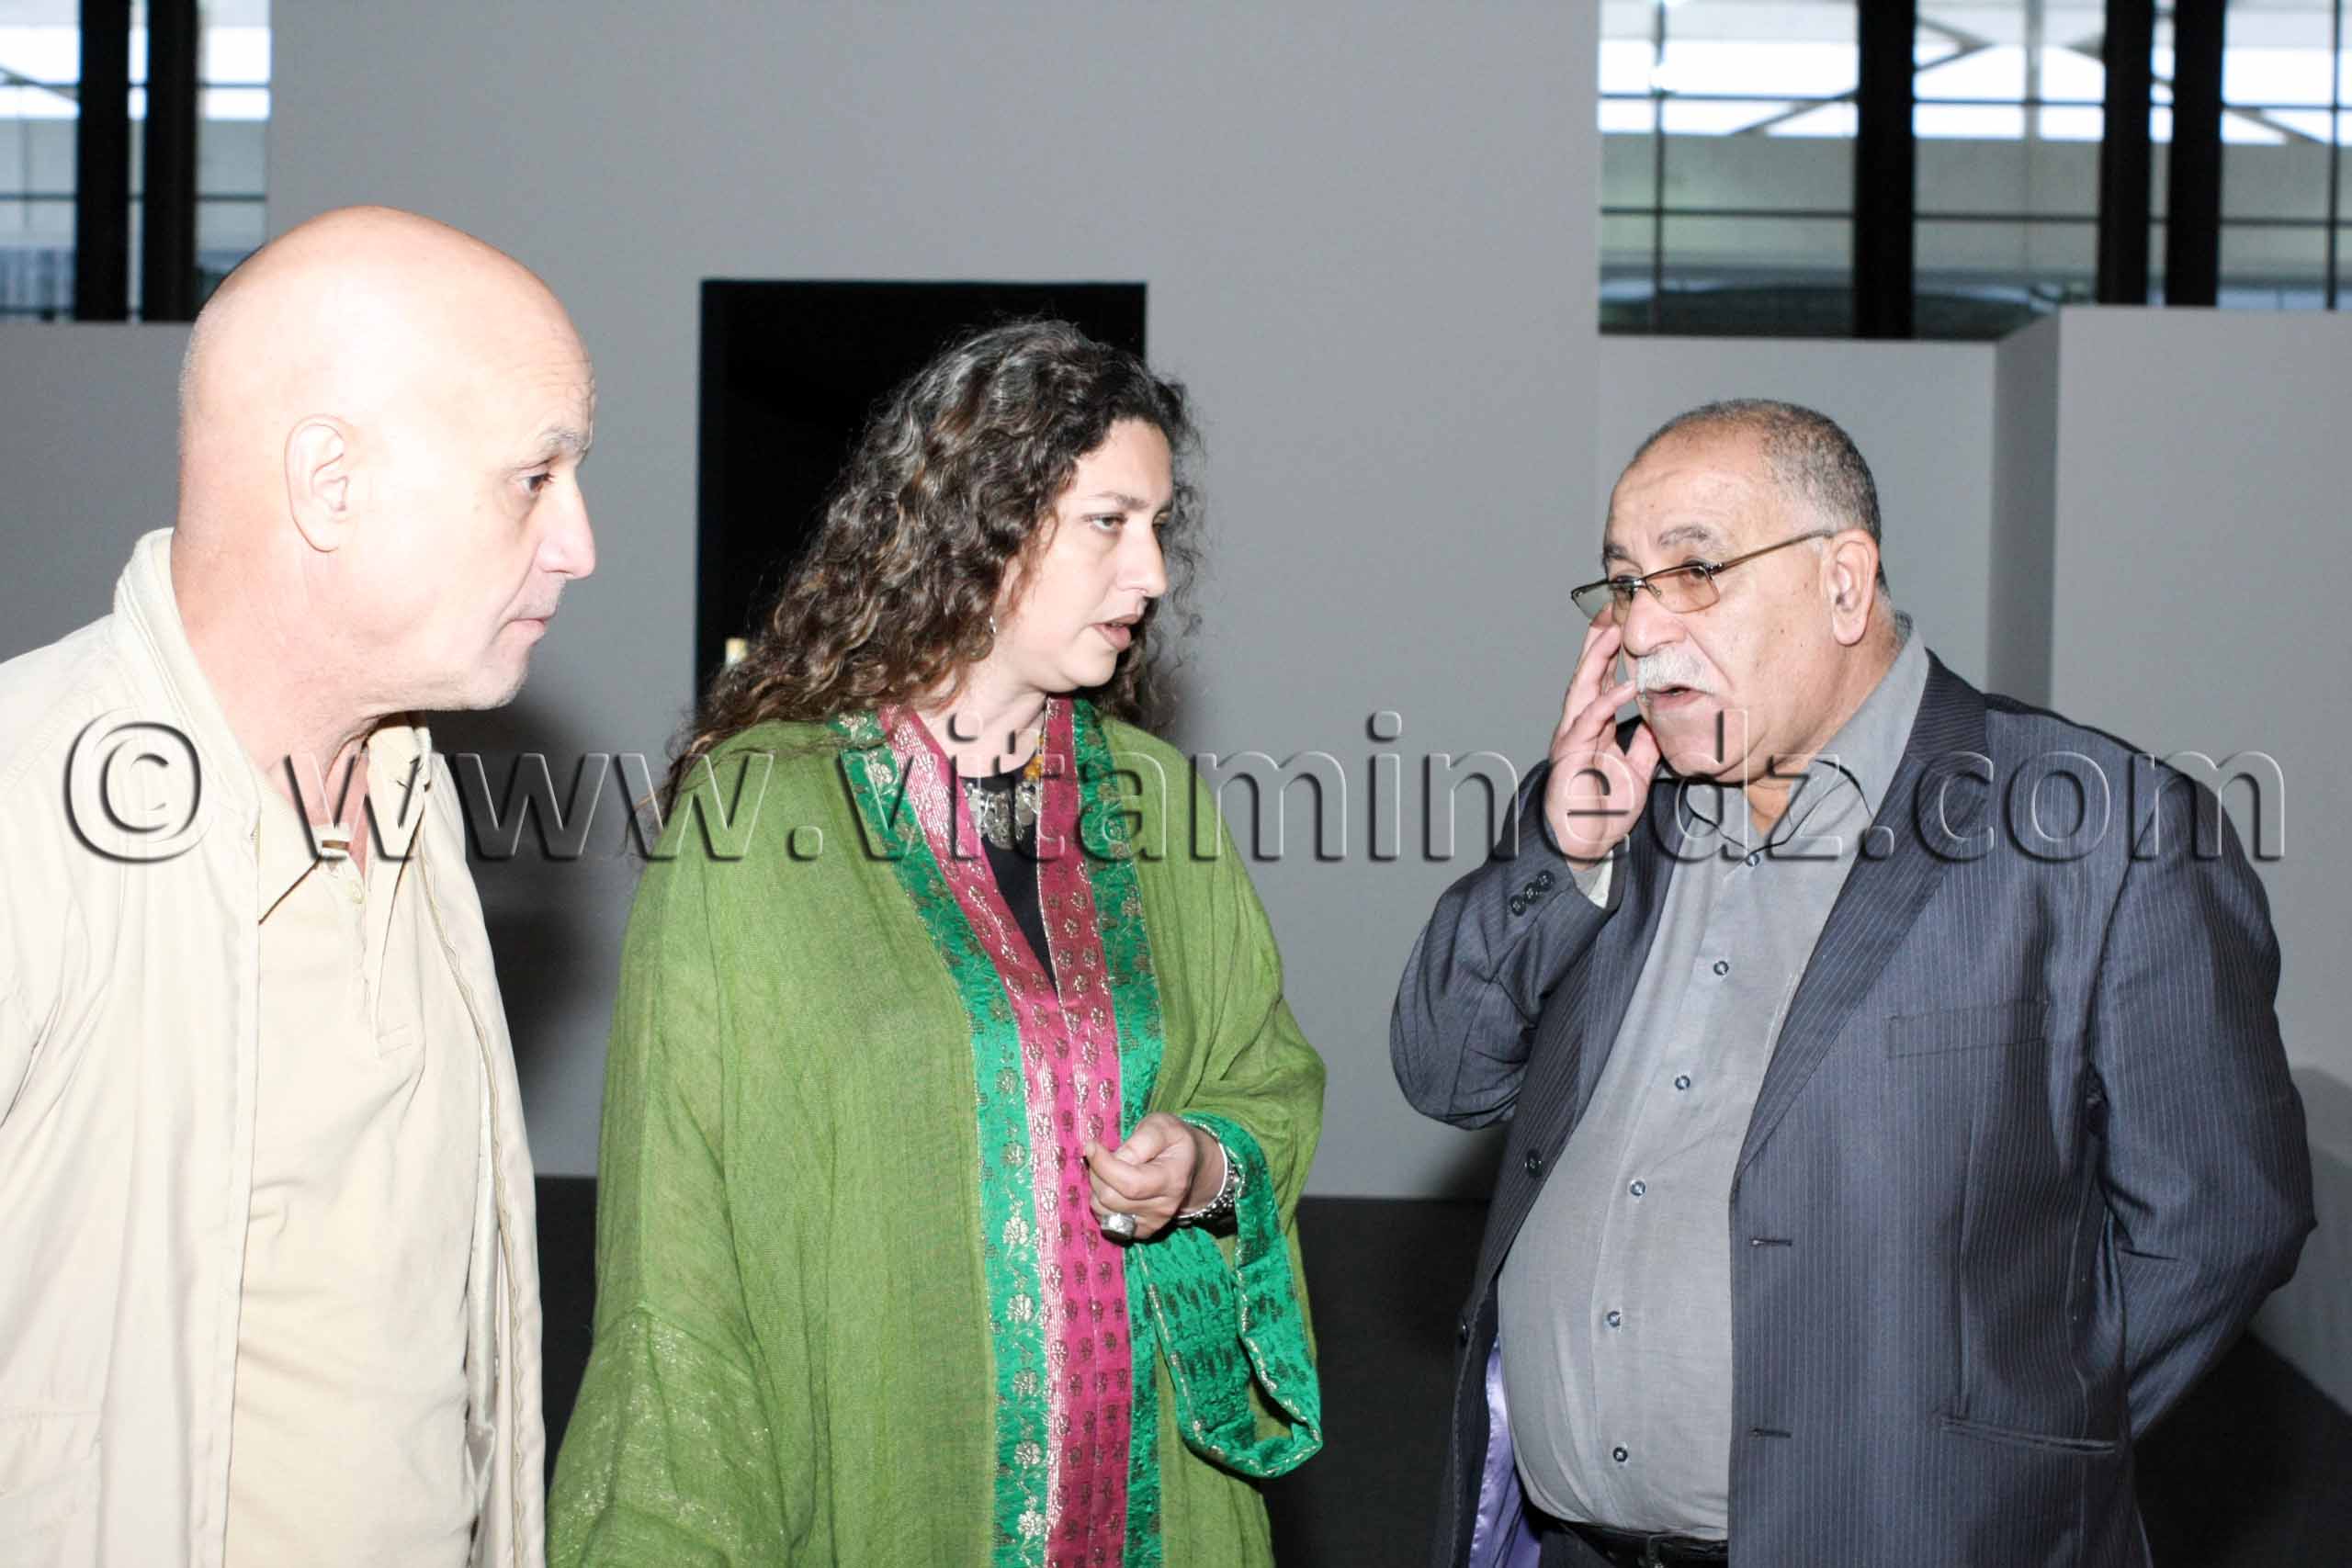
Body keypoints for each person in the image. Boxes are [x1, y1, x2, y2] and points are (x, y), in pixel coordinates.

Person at [1391, 400, 2312, 1568]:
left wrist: (2004, 1457)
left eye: (1694, 570)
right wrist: (1563, 855)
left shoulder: (2100, 833)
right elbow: (1443, 1067)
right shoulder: (1613, 802)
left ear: (1842, 582)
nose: (1643, 627)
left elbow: (2219, 1220)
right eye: (1623, 584)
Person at [548, 319, 1324, 1566]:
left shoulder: (1156, 799)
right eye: (1111, 523)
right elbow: (676, 1244)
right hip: (883, 1492)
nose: (1155, 576)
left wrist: (1206, 1160)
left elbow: (1264, 1075)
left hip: (1151, 1503)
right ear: (986, 519)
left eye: (1161, 528)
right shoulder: (762, 813)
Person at [0, 206, 595, 1566]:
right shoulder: (27, 811)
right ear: (331, 481)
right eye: (533, 476)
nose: (576, 541)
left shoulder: (418, 801)